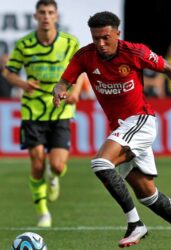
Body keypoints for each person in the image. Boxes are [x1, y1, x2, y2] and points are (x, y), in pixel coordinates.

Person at [52, 11, 171, 249]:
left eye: (105, 37)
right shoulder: (85, 56)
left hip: (141, 121)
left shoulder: (135, 52)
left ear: (117, 34)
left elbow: (170, 69)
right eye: (95, 38)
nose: (100, 44)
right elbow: (64, 81)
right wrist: (59, 89)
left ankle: (135, 224)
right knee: (147, 195)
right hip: (121, 128)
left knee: (101, 163)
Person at [2, 0, 82, 227]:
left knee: (56, 165)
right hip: (33, 110)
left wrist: (75, 90)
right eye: (42, 12)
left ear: (56, 16)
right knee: (37, 163)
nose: (46, 16)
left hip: (61, 110)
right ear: (36, 16)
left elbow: (82, 69)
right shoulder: (25, 44)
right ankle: (43, 212)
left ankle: (54, 177)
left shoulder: (69, 42)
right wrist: (23, 84)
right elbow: (9, 72)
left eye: (50, 12)